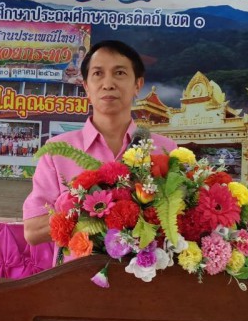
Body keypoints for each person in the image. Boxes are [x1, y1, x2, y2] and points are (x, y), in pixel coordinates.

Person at [23, 40, 177, 245]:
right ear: (86, 87)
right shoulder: (57, 152)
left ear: (138, 85)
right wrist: (92, 207)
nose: (108, 84)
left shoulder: (165, 149)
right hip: (79, 265)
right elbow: (32, 231)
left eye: (119, 73)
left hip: (147, 264)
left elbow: (181, 220)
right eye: (98, 73)